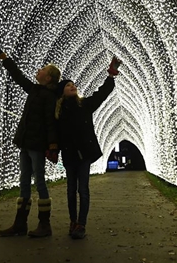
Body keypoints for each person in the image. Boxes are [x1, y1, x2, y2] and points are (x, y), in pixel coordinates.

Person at [0, 42, 60, 238]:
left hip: (37, 145)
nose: (38, 71)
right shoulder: (35, 90)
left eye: (42, 70)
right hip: (25, 143)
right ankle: (20, 223)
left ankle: (44, 224)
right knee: (23, 181)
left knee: (39, 181)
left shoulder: (48, 96)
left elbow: (50, 122)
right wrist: (2, 56)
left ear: (48, 77)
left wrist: (53, 145)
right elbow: (17, 75)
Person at [55, 56, 121, 239]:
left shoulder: (84, 105)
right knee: (70, 190)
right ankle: (73, 221)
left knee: (82, 189)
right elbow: (53, 132)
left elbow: (101, 94)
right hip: (68, 155)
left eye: (74, 84)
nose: (73, 86)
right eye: (68, 85)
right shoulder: (58, 112)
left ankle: (81, 224)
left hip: (83, 155)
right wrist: (52, 148)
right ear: (62, 92)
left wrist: (111, 74)